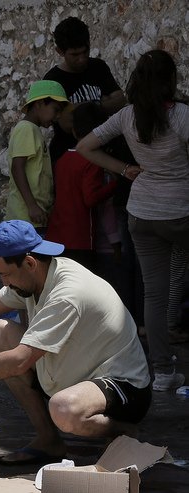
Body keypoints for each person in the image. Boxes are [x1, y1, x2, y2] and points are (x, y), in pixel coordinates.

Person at [0, 220, 150, 465]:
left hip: (124, 386)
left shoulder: (67, 293)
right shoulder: (32, 276)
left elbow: (19, 361)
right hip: (75, 373)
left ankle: (123, 431)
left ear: (29, 263)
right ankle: (48, 440)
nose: (4, 282)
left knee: (64, 410)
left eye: (6, 274)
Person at [76, 49, 189, 392]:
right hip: (182, 210)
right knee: (175, 282)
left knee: (154, 295)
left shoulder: (127, 116)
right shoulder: (182, 116)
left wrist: (124, 170)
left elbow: (85, 146)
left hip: (141, 212)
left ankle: (163, 372)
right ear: (171, 80)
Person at [44, 16, 126, 165]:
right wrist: (102, 105)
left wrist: (82, 108)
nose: (82, 59)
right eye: (74, 55)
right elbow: (67, 124)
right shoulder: (53, 81)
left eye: (85, 51)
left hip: (105, 154)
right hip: (70, 158)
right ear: (59, 51)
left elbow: (120, 101)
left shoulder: (98, 67)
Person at [46, 102, 118, 270]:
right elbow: (90, 198)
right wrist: (116, 184)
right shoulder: (93, 161)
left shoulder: (63, 159)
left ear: (73, 130)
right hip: (80, 237)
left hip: (57, 233)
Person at [6, 80, 68, 230]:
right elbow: (17, 168)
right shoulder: (26, 129)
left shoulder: (34, 130)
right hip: (25, 216)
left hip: (33, 216)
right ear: (39, 103)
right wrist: (32, 206)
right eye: (56, 109)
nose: (58, 116)